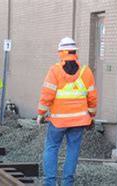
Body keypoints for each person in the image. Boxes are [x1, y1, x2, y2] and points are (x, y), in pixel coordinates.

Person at [37, 37, 97, 186]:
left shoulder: (55, 70)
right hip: (79, 121)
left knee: (51, 148)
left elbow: (47, 95)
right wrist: (91, 114)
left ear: (62, 52)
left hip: (58, 121)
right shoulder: (86, 71)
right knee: (73, 150)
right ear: (75, 52)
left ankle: (49, 183)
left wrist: (40, 114)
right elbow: (92, 97)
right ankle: (67, 183)